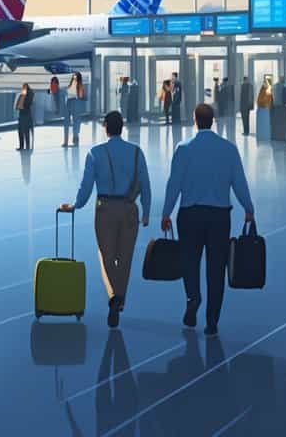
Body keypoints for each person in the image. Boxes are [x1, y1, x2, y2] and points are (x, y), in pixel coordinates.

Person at [160, 103, 256, 337]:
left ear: (195, 120)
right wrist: (249, 208)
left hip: (189, 215)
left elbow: (174, 184)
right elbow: (239, 183)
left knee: (189, 262)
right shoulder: (229, 149)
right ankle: (212, 321)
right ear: (212, 121)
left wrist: (166, 213)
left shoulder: (183, 148)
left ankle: (193, 297)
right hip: (219, 217)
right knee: (216, 269)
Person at [59, 111, 151, 328]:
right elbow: (145, 185)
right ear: (122, 127)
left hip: (105, 209)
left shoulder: (95, 153)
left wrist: (76, 205)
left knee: (106, 255)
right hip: (129, 209)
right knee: (125, 257)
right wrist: (146, 212)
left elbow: (86, 186)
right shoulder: (136, 153)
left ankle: (112, 297)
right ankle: (120, 297)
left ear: (105, 128)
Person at [64, 72, 86, 147]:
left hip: (75, 101)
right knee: (66, 122)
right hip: (68, 101)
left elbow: (81, 95)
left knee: (76, 122)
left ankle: (75, 140)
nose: (74, 76)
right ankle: (65, 142)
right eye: (74, 75)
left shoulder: (80, 84)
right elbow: (67, 91)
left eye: (76, 75)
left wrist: (79, 94)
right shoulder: (70, 83)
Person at [15, 82, 34, 150]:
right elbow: (18, 105)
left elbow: (27, 104)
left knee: (26, 131)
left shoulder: (29, 94)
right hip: (22, 114)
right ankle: (22, 146)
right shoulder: (23, 94)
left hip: (26, 114)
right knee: (21, 130)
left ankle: (26, 146)